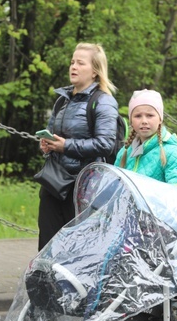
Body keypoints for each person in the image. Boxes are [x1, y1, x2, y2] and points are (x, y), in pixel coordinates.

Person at [37, 42, 119, 250]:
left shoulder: (103, 101)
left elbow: (106, 144)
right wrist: (47, 144)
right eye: (72, 62)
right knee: (47, 247)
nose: (73, 66)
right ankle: (44, 283)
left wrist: (65, 146)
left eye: (80, 63)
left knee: (74, 250)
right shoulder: (62, 100)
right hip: (54, 183)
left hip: (84, 187)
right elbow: (52, 132)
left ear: (94, 71)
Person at [115, 89, 177, 186]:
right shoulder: (125, 152)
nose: (144, 121)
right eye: (138, 116)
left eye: (150, 115)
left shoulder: (172, 151)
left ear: (160, 119)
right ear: (131, 121)